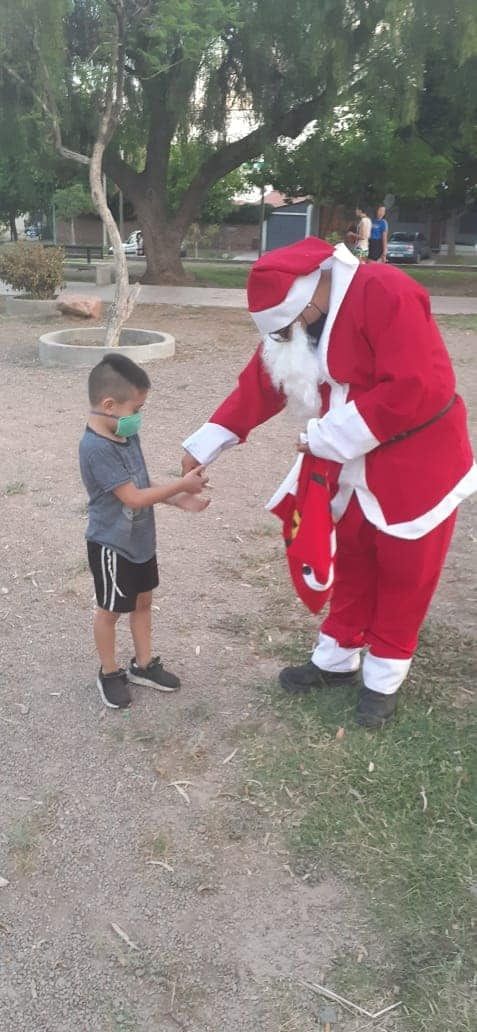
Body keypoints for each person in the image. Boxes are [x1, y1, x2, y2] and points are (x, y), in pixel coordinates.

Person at [181, 238, 476, 727]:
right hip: (347, 461)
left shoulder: (387, 291)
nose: (288, 335)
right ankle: (338, 656)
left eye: (292, 324)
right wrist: (207, 441)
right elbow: (265, 379)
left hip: (417, 463)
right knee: (354, 555)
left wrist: (326, 435)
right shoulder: (300, 319)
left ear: (312, 298)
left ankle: (384, 677)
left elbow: (419, 386)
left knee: (406, 571)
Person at [79, 354, 209, 709]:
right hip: (112, 544)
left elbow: (140, 483)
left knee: (143, 602)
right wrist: (181, 484)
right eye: (136, 407)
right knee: (110, 610)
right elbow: (133, 498)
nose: (139, 415)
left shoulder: (126, 433)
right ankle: (109, 671)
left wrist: (180, 499)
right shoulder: (96, 449)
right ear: (109, 405)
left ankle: (144, 664)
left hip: (140, 542)